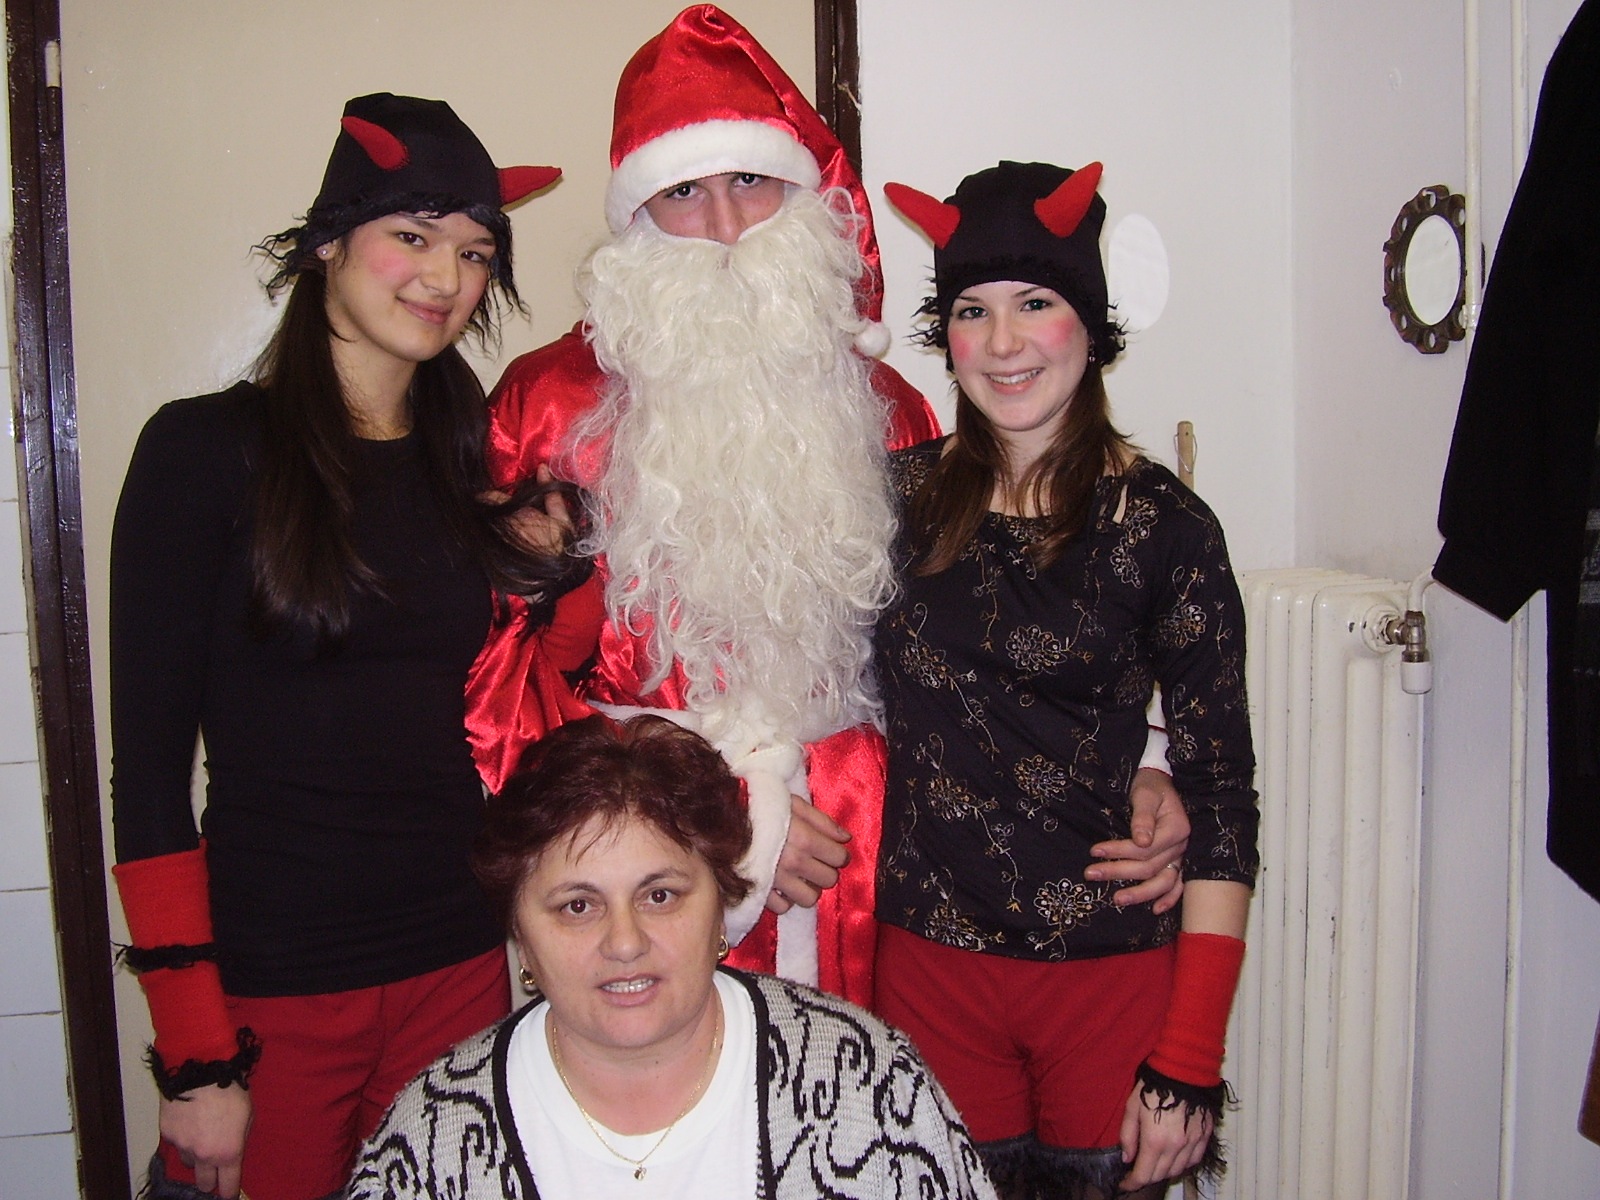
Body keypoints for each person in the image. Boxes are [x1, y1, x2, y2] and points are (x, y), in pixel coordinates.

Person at [470, 4, 1188, 1010]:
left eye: (751, 183)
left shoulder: (885, 407)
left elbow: (985, 641)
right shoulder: (546, 405)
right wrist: (706, 810)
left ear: (803, 199)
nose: (726, 228)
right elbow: (493, 679)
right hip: (637, 858)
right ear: (637, 221)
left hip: (864, 845)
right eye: (684, 193)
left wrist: (1135, 762)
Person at [108, 94, 592, 1200]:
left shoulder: (467, 463)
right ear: (329, 241)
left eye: (474, 251)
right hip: (279, 982)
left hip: (455, 960)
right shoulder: (204, 451)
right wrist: (195, 1056)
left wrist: (567, 559)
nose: (446, 276)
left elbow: (540, 686)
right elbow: (148, 781)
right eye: (411, 235)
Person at [874, 161, 1259, 1198]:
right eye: (973, 311)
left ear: (1090, 322)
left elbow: (1224, 797)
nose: (1003, 343)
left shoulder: (1166, 528)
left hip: (1106, 977)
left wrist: (1190, 1060)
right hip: (929, 973)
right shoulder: (889, 502)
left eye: (1035, 303)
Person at [348, 712, 999, 1199]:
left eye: (659, 895)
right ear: (520, 930)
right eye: (578, 905)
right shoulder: (431, 1137)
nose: (625, 942)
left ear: (722, 904)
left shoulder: (870, 1085)